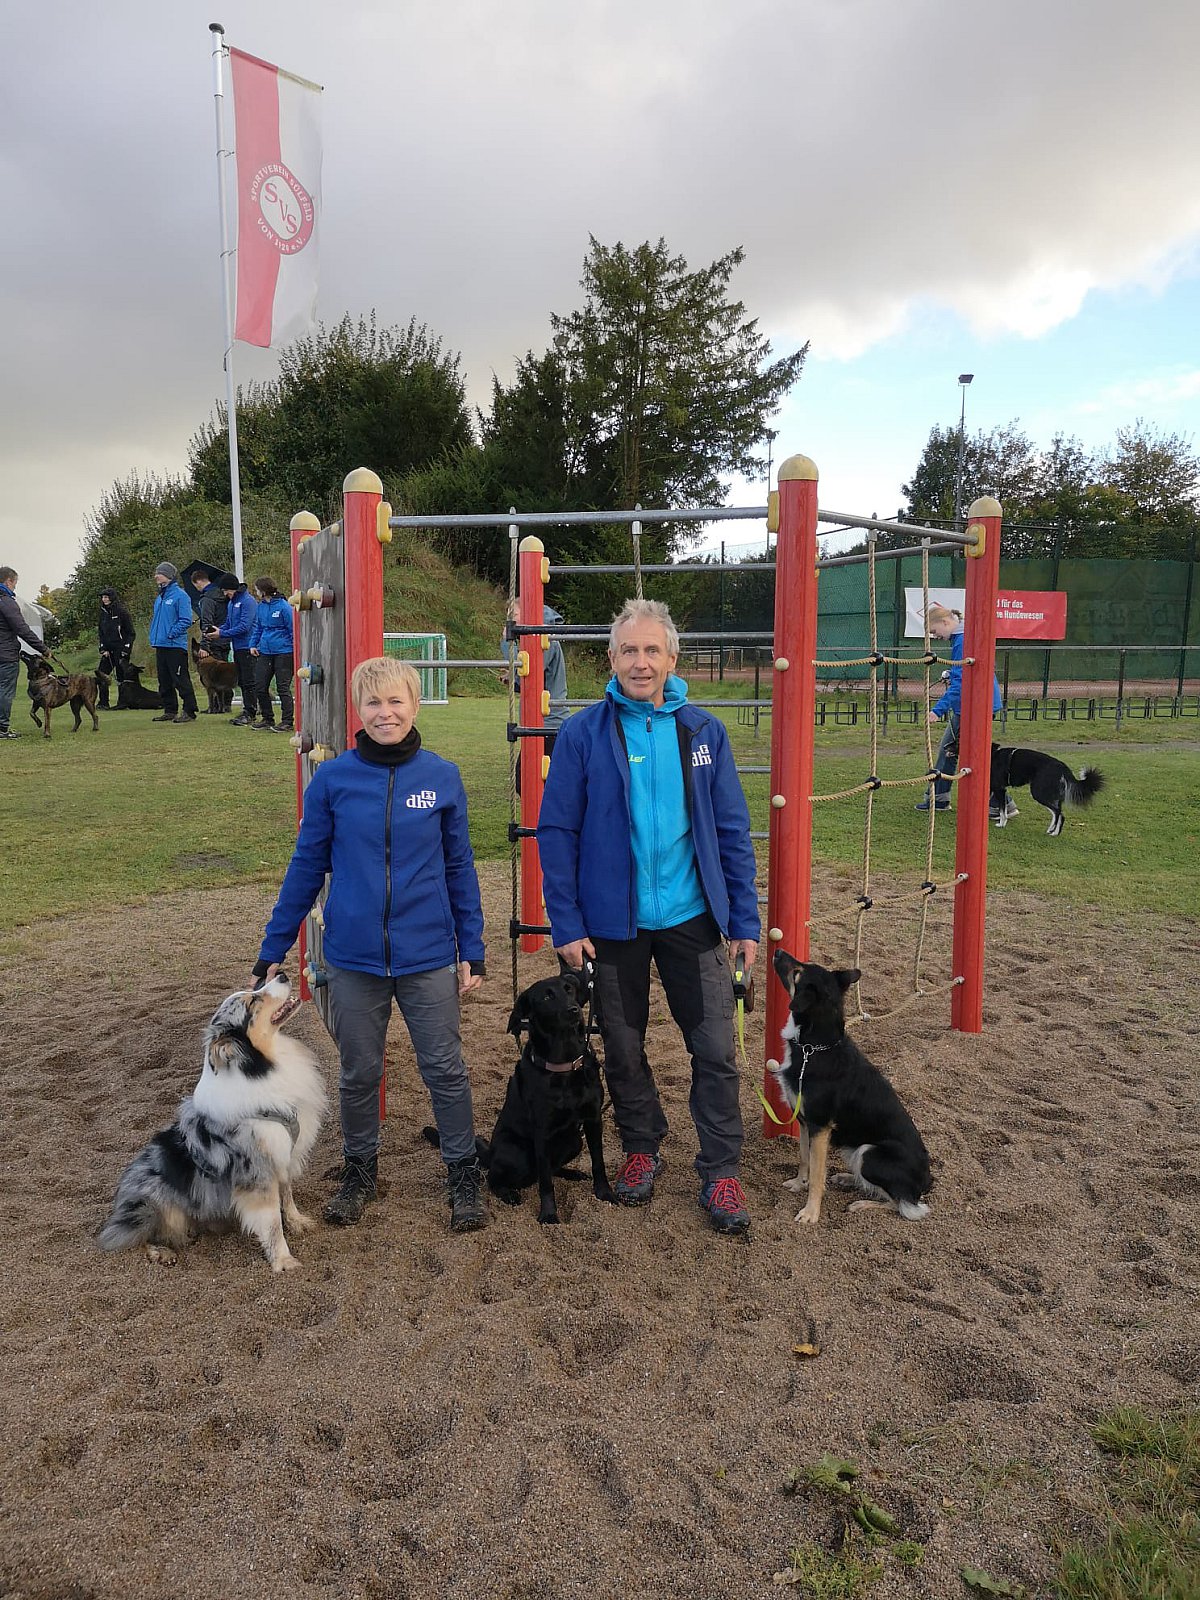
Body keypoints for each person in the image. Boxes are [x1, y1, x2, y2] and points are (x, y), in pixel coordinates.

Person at [537, 597, 760, 1236]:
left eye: (652, 650)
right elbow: (558, 831)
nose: (641, 662)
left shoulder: (703, 732)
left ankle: (720, 1167)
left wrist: (744, 920)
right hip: (613, 923)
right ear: (611, 659)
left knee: (714, 1048)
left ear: (672, 659)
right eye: (629, 650)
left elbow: (731, 829)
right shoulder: (583, 733)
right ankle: (641, 1146)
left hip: (692, 916)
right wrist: (567, 922)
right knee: (623, 1047)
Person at [253, 657, 489, 1232]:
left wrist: (471, 944)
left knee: (444, 1067)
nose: (386, 713)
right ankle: (360, 1168)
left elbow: (459, 867)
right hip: (355, 955)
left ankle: (462, 1170)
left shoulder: (442, 777)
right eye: (374, 703)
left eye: (396, 701)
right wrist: (275, 943)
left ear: (415, 704)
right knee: (359, 1070)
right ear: (358, 710)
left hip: (427, 952)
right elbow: (306, 866)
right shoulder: (333, 781)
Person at [918, 602, 1003, 814]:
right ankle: (942, 797)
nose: (935, 636)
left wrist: (937, 710)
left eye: (934, 631)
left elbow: (960, 683)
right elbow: (966, 672)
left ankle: (998, 801)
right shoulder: (965, 637)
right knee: (960, 752)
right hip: (978, 704)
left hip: (973, 706)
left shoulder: (962, 640)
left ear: (945, 622)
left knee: (959, 753)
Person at [501, 600, 570, 787]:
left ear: (527, 614)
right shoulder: (536, 639)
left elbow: (532, 669)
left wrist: (507, 642)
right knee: (527, 781)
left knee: (531, 781)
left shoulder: (543, 638)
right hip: (539, 720)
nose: (509, 620)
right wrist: (514, 678)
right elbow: (532, 681)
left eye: (513, 615)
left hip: (549, 722)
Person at [0, 567, 51, 739]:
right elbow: (22, 629)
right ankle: (2, 728)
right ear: (9, 581)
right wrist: (43, 648)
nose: (15, 586)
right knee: (5, 691)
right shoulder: (6, 602)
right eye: (15, 583)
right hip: (5, 655)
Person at [147, 562, 197, 724]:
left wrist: (171, 634)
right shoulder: (160, 597)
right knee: (164, 681)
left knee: (180, 679)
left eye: (159, 573)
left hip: (175, 645)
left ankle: (189, 710)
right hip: (161, 644)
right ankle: (170, 710)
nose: (156, 576)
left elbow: (185, 620)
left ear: (168, 576)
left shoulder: (180, 596)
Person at [206, 573, 259, 726]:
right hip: (237, 647)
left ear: (233, 588)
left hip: (248, 647)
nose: (225, 594)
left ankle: (251, 711)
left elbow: (244, 626)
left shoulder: (248, 602)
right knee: (242, 681)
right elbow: (229, 624)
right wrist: (216, 630)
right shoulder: (231, 604)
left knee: (249, 681)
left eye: (226, 590)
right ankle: (247, 709)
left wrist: (222, 634)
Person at [247, 577, 295, 732]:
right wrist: (253, 644)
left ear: (263, 590)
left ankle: (287, 721)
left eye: (257, 589)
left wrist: (295, 649)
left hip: (284, 652)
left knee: (283, 687)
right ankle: (267, 718)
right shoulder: (261, 607)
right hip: (265, 651)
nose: (256, 592)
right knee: (260, 686)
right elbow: (259, 628)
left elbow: (292, 629)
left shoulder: (284, 607)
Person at [97, 588, 136, 709]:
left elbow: (131, 633)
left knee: (121, 677)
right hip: (108, 651)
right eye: (103, 597)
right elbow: (101, 633)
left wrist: (126, 649)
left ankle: (123, 703)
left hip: (120, 649)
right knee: (101, 675)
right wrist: (103, 648)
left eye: (106, 597)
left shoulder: (122, 612)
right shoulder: (103, 613)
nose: (104, 599)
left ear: (112, 598)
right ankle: (103, 703)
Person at [190, 567, 230, 676]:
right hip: (226, 638)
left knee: (215, 676)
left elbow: (207, 623)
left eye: (195, 585)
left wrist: (204, 646)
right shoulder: (223, 595)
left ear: (198, 582)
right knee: (225, 674)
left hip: (213, 642)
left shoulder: (206, 599)